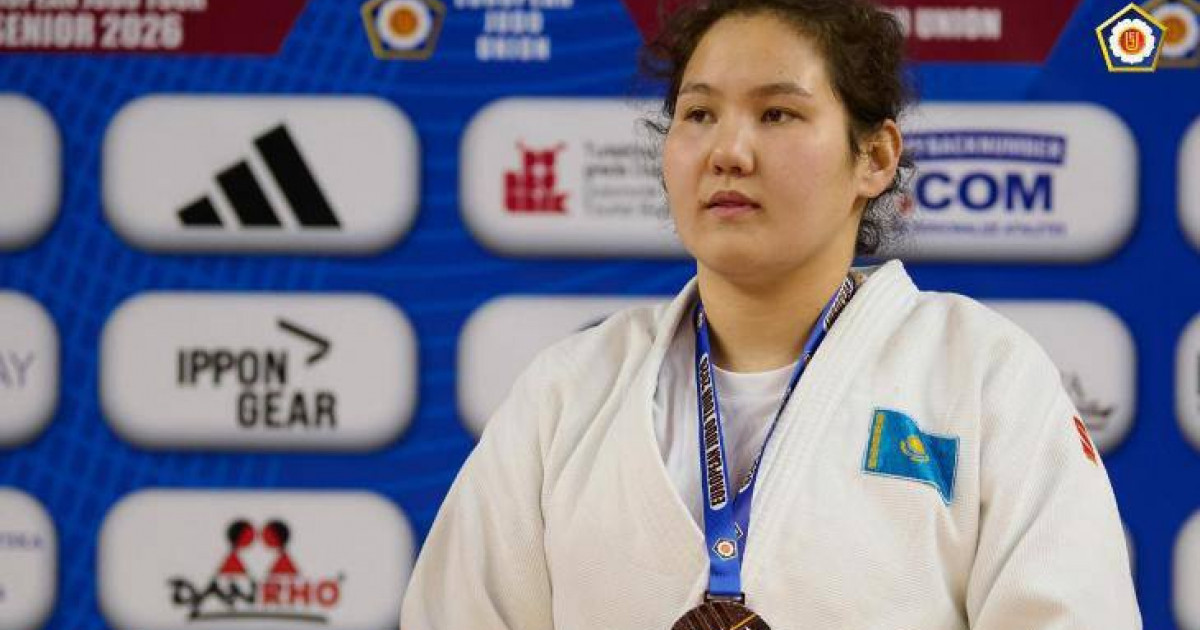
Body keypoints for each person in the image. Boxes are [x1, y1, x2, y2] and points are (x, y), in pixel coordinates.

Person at [400, 0, 1142, 628]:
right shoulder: (568, 392)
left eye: (777, 113)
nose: (728, 151)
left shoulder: (981, 377)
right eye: (699, 114)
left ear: (875, 157)